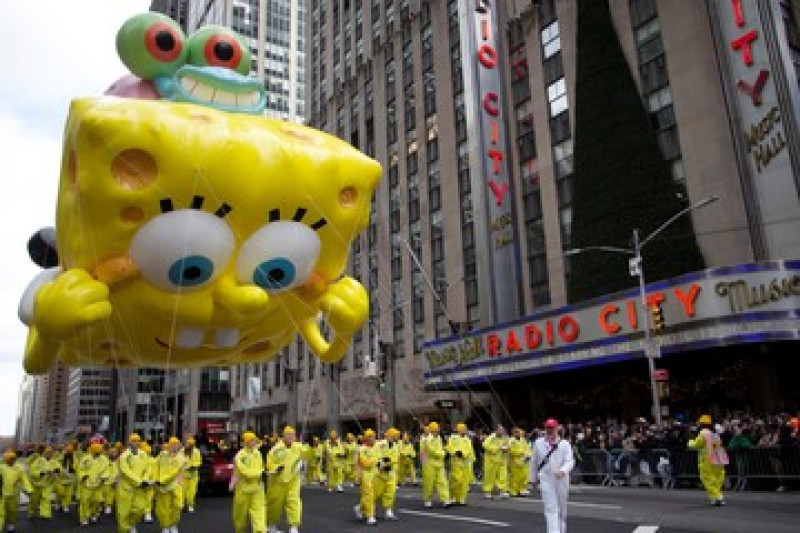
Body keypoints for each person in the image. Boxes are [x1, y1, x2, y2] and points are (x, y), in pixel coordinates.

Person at [532, 418, 575, 533]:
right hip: (546, 479)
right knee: (550, 508)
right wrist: (533, 479)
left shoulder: (565, 444)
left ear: (557, 429)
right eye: (547, 428)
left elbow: (570, 461)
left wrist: (563, 470)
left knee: (562, 509)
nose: (549, 430)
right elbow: (534, 462)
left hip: (561, 479)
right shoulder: (538, 443)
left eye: (552, 428)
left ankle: (561, 529)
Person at [266, 426, 305, 533]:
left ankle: (294, 526)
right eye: (289, 434)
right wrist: (276, 468)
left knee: (294, 502)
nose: (291, 436)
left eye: (293, 434)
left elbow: (306, 456)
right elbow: (270, 463)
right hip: (278, 482)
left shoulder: (298, 447)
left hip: (293, 480)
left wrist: (303, 464)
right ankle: (271, 525)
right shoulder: (275, 450)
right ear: (284, 436)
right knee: (275, 505)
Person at [688, 414, 728, 506]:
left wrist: (690, 441)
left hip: (707, 459)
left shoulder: (704, 432)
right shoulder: (715, 433)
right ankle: (714, 498)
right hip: (719, 459)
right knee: (718, 478)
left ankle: (718, 497)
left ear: (702, 424)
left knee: (707, 479)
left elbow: (697, 444)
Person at [117, 433, 152, 533]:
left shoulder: (143, 454)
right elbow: (125, 471)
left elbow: (148, 468)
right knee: (124, 511)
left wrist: (144, 480)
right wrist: (139, 481)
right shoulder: (124, 456)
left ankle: (132, 524)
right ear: (130, 442)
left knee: (140, 508)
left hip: (140, 488)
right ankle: (124, 529)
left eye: (137, 441)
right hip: (126, 488)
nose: (136, 443)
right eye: (134, 441)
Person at [232, 432, 266, 533]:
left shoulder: (258, 453)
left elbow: (261, 467)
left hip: (257, 489)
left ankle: (259, 530)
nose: (254, 442)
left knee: (259, 512)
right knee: (240, 514)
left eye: (254, 440)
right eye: (252, 440)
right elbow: (244, 471)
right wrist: (260, 473)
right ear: (246, 442)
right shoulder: (240, 456)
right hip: (243, 489)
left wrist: (264, 473)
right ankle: (240, 530)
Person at [154, 437, 186, 533]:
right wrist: (156, 478)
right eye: (172, 445)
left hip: (176, 485)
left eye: (176, 445)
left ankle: (173, 524)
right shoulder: (162, 455)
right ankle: (165, 526)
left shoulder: (181, 458)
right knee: (163, 508)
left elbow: (174, 472)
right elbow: (155, 465)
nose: (174, 447)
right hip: (162, 487)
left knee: (178, 506)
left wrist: (161, 481)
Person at [77, 439, 111, 526]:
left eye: (99, 452)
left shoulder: (104, 459)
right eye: (96, 452)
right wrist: (83, 476)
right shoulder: (85, 459)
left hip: (98, 484)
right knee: (85, 502)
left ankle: (94, 514)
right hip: (86, 485)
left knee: (97, 501)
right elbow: (80, 469)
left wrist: (104, 477)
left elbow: (107, 469)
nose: (98, 454)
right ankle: (84, 518)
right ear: (92, 451)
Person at [420, 422, 452, 508]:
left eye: (438, 430)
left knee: (443, 482)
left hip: (439, 463)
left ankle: (446, 500)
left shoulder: (439, 438)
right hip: (429, 463)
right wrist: (444, 454)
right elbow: (432, 451)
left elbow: (440, 448)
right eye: (436, 430)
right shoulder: (426, 440)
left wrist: (446, 450)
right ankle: (427, 500)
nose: (438, 431)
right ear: (432, 430)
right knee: (429, 483)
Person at [1, 450, 32, 532]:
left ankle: (11, 524)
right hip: (2, 495)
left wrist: (29, 489)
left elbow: (24, 479)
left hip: (13, 494)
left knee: (13, 511)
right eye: (10, 459)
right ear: (6, 459)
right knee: (1, 512)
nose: (13, 460)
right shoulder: (1, 467)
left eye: (14, 459)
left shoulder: (19, 468)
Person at [353, 429, 380, 525]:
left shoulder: (375, 447)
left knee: (373, 495)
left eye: (374, 436)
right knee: (369, 495)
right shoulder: (362, 449)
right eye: (371, 437)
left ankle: (359, 508)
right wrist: (375, 459)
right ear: (367, 438)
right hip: (365, 474)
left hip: (375, 474)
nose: (373, 438)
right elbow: (365, 463)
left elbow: (379, 460)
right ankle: (370, 516)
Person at [374, 428, 401, 521]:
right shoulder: (379, 444)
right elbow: (376, 456)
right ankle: (362, 509)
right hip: (380, 474)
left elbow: (395, 459)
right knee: (375, 494)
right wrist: (382, 465)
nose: (397, 437)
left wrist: (389, 463)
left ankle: (388, 512)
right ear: (390, 436)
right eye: (395, 435)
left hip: (391, 474)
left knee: (390, 493)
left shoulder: (396, 446)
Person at [447, 422, 475, 505]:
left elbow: (470, 449)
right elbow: (449, 447)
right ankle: (453, 496)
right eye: (463, 429)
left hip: (465, 462)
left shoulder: (467, 439)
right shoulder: (453, 438)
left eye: (465, 429)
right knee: (456, 480)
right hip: (456, 462)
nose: (464, 431)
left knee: (464, 481)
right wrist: (455, 452)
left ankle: (461, 498)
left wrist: (464, 454)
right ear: (459, 430)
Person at [27, 445, 57, 520]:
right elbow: (32, 471)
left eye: (51, 453)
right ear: (44, 453)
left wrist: (55, 471)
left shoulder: (53, 461)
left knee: (46, 499)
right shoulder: (38, 461)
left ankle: (45, 514)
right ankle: (31, 512)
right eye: (48, 452)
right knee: (34, 500)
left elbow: (58, 468)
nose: (49, 454)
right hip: (37, 484)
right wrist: (41, 473)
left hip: (47, 484)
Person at [482, 425, 510, 499]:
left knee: (503, 476)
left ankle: (503, 491)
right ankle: (487, 492)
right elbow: (485, 445)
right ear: (496, 431)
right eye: (500, 430)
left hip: (501, 460)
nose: (502, 432)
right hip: (491, 461)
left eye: (503, 430)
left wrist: (506, 449)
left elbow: (507, 446)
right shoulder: (491, 437)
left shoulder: (505, 438)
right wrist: (497, 448)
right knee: (489, 477)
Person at [509, 427, 533, 497]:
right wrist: (522, 452)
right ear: (513, 433)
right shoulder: (511, 441)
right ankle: (513, 491)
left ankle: (521, 490)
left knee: (524, 477)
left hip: (524, 461)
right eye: (516, 432)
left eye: (519, 432)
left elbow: (528, 448)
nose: (518, 433)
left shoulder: (523, 440)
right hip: (515, 461)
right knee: (515, 477)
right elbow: (511, 451)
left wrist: (529, 454)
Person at [181, 437, 202, 513]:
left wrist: (193, 466)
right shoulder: (182, 451)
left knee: (192, 492)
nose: (190, 446)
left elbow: (199, 462)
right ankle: (182, 505)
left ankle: (190, 505)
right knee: (182, 491)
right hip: (184, 475)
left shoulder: (197, 452)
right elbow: (179, 461)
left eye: (191, 445)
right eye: (189, 444)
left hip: (193, 475)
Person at [54, 444, 76, 514]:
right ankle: (58, 503)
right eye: (68, 452)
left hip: (70, 479)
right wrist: (57, 471)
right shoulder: (60, 456)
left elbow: (77, 465)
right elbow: (55, 463)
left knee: (68, 494)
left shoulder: (74, 458)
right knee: (60, 493)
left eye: (70, 452)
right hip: (61, 479)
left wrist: (74, 471)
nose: (69, 453)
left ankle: (65, 505)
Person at [141, 441, 156, 523]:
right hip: (140, 483)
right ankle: (141, 513)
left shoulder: (153, 461)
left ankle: (147, 513)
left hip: (149, 483)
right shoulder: (138, 459)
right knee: (140, 498)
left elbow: (155, 471)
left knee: (148, 498)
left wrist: (152, 481)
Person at [104, 446, 120, 515]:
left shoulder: (119, 461)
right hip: (107, 482)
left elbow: (120, 471)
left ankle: (117, 507)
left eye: (114, 452)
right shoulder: (105, 461)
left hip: (117, 481)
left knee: (118, 496)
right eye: (111, 452)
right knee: (108, 496)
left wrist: (117, 480)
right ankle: (108, 506)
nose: (113, 454)